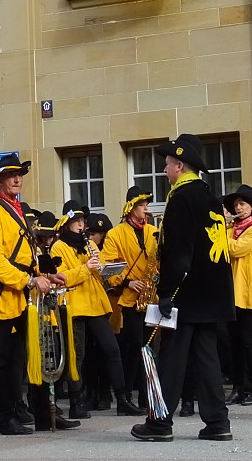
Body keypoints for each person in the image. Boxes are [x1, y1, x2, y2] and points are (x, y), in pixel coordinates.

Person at [131, 134, 234, 443]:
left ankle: (160, 422)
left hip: (186, 292)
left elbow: (178, 252)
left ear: (179, 166)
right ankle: (217, 421)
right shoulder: (209, 196)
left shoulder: (180, 197)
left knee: (172, 358)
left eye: (166, 165)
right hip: (213, 292)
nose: (164, 171)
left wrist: (166, 293)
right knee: (207, 358)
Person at [0, 153, 64, 435]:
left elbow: (27, 253)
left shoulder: (16, 207)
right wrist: (28, 280)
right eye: (11, 174)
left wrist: (44, 275)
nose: (17, 179)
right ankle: (4, 417)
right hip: (5, 294)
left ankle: (40, 413)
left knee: (32, 356)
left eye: (20, 174)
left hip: (24, 294)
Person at [51, 201, 138, 418]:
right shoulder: (58, 246)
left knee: (112, 350)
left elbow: (99, 275)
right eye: (76, 222)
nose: (81, 226)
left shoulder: (89, 245)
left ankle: (123, 399)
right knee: (76, 356)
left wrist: (105, 269)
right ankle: (75, 402)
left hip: (94, 303)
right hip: (74, 306)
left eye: (82, 222)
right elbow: (61, 279)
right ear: (66, 224)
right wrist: (86, 268)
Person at [102, 186, 159, 410]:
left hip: (151, 298)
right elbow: (107, 266)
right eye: (142, 205)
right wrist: (127, 281)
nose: (146, 209)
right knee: (134, 346)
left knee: (150, 347)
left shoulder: (153, 232)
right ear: (131, 208)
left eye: (146, 205)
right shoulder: (115, 234)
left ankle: (148, 397)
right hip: (129, 298)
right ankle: (125, 395)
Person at [222, 184, 252, 407]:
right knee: (234, 344)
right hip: (231, 294)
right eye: (235, 205)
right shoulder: (230, 230)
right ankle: (239, 387)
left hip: (250, 294)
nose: (238, 208)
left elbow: (235, 249)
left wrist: (220, 230)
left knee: (251, 342)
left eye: (242, 204)